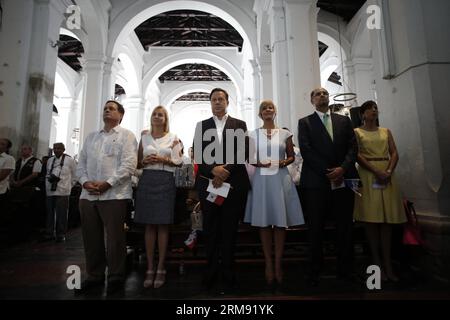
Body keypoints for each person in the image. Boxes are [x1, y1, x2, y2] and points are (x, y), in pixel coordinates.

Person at [298, 87, 359, 286]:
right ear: (311, 100)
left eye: (324, 93)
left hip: (343, 179)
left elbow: (353, 147)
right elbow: (306, 150)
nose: (322, 96)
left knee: (344, 226)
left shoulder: (344, 120)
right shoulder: (305, 122)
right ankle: (314, 270)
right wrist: (328, 171)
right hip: (317, 181)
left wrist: (342, 169)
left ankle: (346, 269)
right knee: (316, 227)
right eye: (317, 94)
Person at [76, 100, 137, 295]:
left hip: (114, 194)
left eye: (111, 108)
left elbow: (128, 165)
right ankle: (94, 275)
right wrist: (85, 182)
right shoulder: (91, 137)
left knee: (115, 238)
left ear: (120, 115)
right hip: (88, 195)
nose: (107, 111)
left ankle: (116, 275)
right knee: (90, 237)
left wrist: (107, 183)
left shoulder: (126, 136)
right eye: (105, 108)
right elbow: (81, 163)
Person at [193, 88, 250, 292]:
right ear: (210, 103)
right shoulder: (202, 126)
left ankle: (228, 272)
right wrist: (213, 171)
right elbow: (198, 153)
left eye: (221, 99)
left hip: (233, 184)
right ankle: (210, 272)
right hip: (209, 184)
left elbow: (243, 151)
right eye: (214, 99)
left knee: (229, 230)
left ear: (227, 102)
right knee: (210, 230)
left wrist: (224, 170)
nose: (217, 102)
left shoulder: (239, 124)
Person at [244, 100, 305, 289]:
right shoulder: (253, 134)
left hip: (280, 177)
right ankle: (268, 263)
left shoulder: (285, 133)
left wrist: (281, 162)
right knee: (263, 221)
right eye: (264, 108)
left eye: (270, 107)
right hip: (262, 178)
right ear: (260, 114)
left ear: (275, 112)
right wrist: (258, 163)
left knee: (280, 222)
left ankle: (278, 263)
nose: (268, 110)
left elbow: (291, 156)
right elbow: (249, 157)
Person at [353, 100, 406, 282]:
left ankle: (388, 264)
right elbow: (357, 154)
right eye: (369, 109)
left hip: (387, 173)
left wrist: (389, 171)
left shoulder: (385, 131)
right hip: (369, 175)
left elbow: (394, 152)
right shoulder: (357, 132)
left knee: (386, 220)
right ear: (362, 114)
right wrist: (376, 171)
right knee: (371, 220)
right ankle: (376, 265)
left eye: (375, 108)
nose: (373, 111)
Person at [134, 106, 182, 289]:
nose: (156, 116)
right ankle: (150, 267)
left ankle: (161, 267)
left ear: (165, 119)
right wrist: (144, 162)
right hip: (147, 180)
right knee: (149, 225)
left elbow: (178, 161)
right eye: (154, 113)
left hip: (165, 180)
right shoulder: (144, 137)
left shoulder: (174, 137)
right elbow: (137, 162)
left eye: (160, 114)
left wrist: (163, 160)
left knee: (162, 225)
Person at [44, 143, 77, 242]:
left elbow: (75, 175)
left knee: (61, 213)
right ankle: (49, 233)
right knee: (49, 213)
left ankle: (60, 234)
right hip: (50, 190)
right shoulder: (50, 160)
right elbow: (48, 173)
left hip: (63, 191)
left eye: (59, 148)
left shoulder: (70, 160)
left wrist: (69, 186)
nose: (56, 150)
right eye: (55, 148)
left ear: (63, 149)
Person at [0, 139, 15, 220]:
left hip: (1, 190)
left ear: (6, 148)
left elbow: (2, 176)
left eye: (2, 144)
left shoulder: (9, 158)